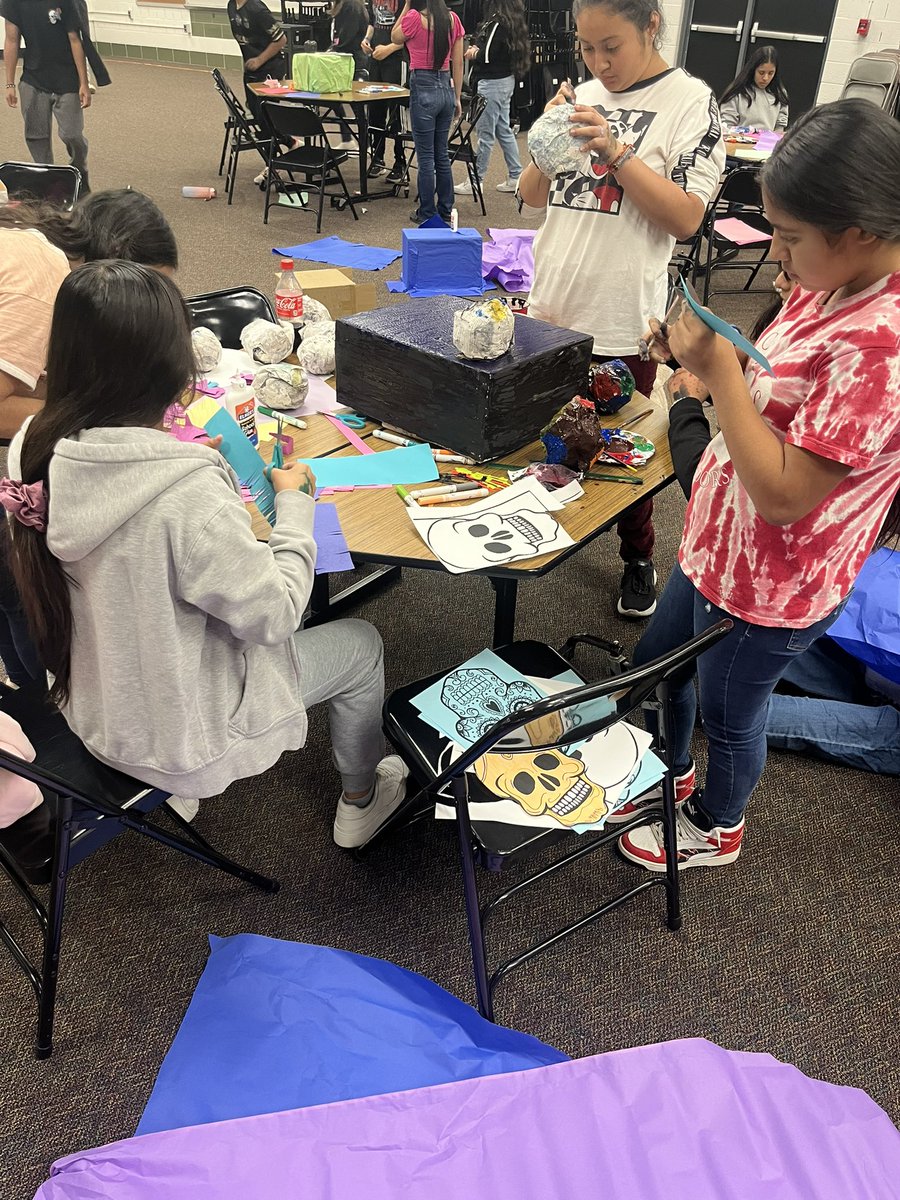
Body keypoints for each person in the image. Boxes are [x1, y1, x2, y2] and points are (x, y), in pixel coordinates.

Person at [1, 261, 409, 850]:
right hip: (183, 738)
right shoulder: (186, 498)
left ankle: (178, 787)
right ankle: (362, 800)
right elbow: (275, 616)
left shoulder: (30, 449)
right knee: (361, 647)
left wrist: (170, 459)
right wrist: (293, 506)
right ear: (172, 368)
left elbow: (126, 555)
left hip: (96, 711)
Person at [613, 99, 900, 872]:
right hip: (720, 546)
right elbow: (770, 383)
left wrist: (715, 374)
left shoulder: (881, 348)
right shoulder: (827, 281)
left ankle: (717, 824)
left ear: (862, 233)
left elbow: (784, 495)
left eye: (792, 235)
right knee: (661, 665)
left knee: (730, 713)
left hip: (775, 584)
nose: (776, 248)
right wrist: (698, 364)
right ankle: (672, 777)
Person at [519, 0, 725, 620]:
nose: (598, 62)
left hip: (620, 318)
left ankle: (638, 556)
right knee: (540, 439)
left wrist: (616, 151)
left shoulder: (691, 101)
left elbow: (687, 218)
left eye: (612, 45)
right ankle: (528, 536)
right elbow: (532, 196)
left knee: (621, 456)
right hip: (550, 305)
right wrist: (546, 134)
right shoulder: (581, 93)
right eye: (586, 47)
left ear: (651, 26)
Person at [0, 189, 178, 691]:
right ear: (113, 273)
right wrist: (107, 413)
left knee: (12, 588)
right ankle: (47, 723)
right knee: (18, 588)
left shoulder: (39, 253)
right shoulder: (42, 277)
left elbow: (28, 376)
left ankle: (32, 710)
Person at [0, 188, 178, 438]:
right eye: (145, 292)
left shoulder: (39, 243)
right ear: (113, 265)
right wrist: (102, 418)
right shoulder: (43, 278)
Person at [2, 0, 92, 191]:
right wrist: (9, 83)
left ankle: (79, 171)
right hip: (33, 78)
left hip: (66, 77)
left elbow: (75, 40)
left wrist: (83, 82)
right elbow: (11, 40)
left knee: (72, 134)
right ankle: (46, 180)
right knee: (36, 136)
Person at [392, 0, 465, 224]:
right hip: (446, 86)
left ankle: (426, 211)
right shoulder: (453, 20)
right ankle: (445, 209)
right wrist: (457, 98)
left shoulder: (414, 18)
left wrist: (406, 5)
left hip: (423, 87)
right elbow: (459, 63)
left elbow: (395, 36)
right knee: (441, 154)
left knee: (425, 157)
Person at [455, 0, 529, 196]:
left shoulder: (498, 23)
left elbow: (487, 55)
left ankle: (475, 181)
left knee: (484, 134)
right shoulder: (508, 21)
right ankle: (516, 175)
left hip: (493, 83)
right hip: (503, 81)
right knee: (503, 129)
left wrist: (473, 52)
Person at [226, 0, 287, 178]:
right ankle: (290, 143)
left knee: (265, 116)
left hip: (269, 69)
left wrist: (259, 60)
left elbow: (281, 39)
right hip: (251, 69)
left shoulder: (256, 9)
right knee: (255, 111)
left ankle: (274, 165)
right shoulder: (231, 6)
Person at [362, 0, 407, 183]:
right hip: (376, 58)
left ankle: (400, 162)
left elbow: (412, 30)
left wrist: (390, 48)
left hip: (396, 59)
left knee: (396, 114)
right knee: (375, 110)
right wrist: (366, 39)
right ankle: (378, 157)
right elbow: (373, 22)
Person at [719, 45, 789, 133]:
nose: (765, 78)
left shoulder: (780, 94)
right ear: (753, 70)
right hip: (739, 143)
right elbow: (727, 128)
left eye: (771, 73)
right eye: (761, 72)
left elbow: (780, 128)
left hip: (768, 144)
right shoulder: (736, 93)